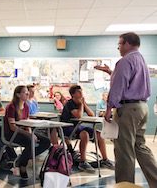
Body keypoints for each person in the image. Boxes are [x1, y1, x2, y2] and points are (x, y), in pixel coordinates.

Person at [95, 32, 157, 186]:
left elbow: (119, 86)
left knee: (124, 151)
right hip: (142, 107)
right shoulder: (141, 59)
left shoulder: (125, 60)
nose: (119, 47)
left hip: (128, 109)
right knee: (139, 146)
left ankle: (124, 185)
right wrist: (111, 72)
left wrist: (109, 108)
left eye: (120, 44)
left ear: (128, 43)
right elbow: (130, 80)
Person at [60, 85, 114, 173]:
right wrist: (81, 104)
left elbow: (91, 114)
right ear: (73, 94)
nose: (81, 93)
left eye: (81, 91)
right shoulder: (70, 104)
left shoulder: (80, 102)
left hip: (77, 126)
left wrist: (84, 104)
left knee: (99, 134)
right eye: (78, 92)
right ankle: (83, 161)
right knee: (84, 134)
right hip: (67, 127)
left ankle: (105, 159)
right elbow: (79, 115)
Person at [4, 85, 50, 179]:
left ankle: (21, 159)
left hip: (23, 132)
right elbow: (12, 127)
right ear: (18, 95)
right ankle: (23, 166)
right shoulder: (11, 107)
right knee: (30, 141)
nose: (27, 94)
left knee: (46, 141)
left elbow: (27, 123)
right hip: (12, 134)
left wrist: (31, 133)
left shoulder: (26, 106)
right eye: (25, 92)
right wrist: (30, 135)